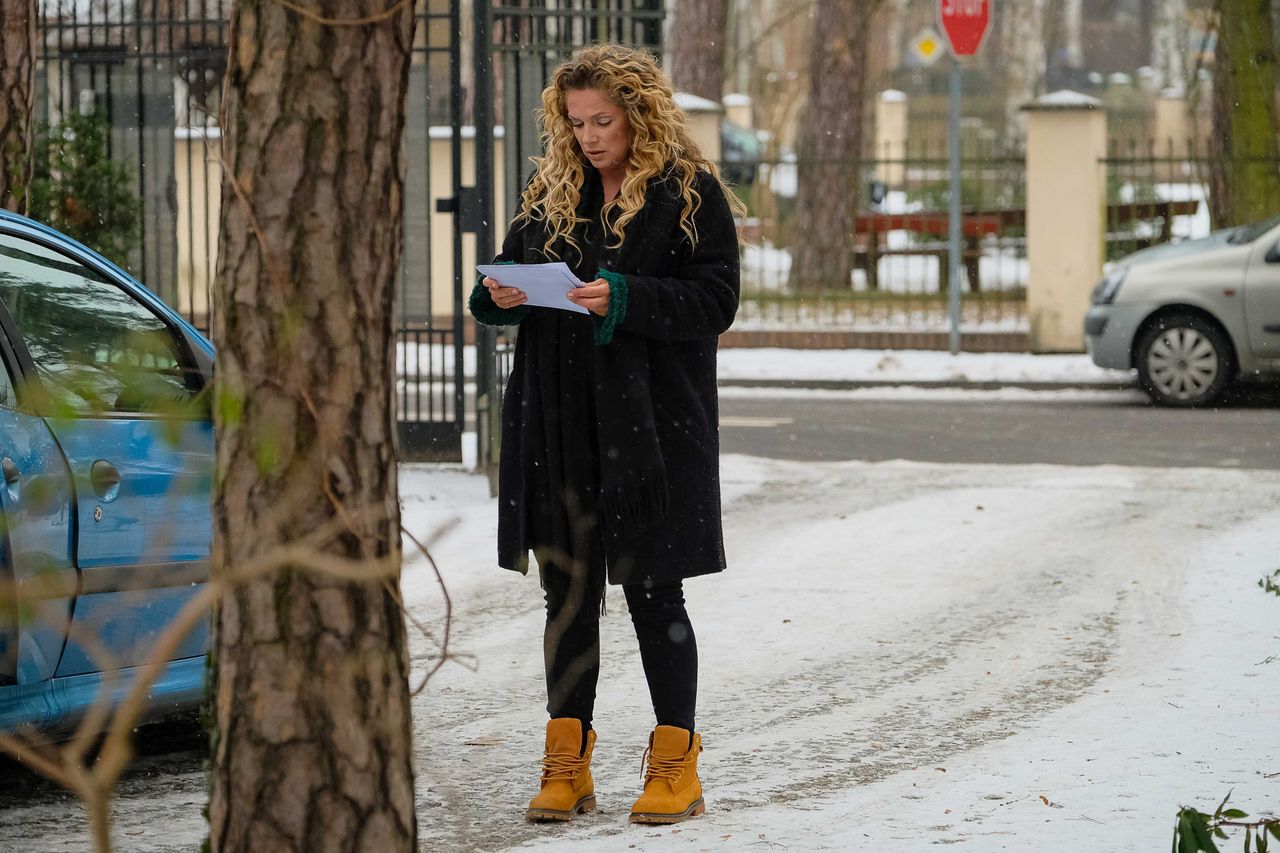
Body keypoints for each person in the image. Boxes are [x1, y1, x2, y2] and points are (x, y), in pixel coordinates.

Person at [468, 43, 744, 826]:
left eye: (603, 121)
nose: (589, 137)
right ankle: (567, 760)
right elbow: (496, 290)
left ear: (640, 114)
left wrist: (619, 296)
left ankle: (674, 762)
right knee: (566, 591)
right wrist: (501, 295)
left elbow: (715, 301)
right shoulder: (551, 190)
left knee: (655, 588)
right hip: (558, 419)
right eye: (576, 121)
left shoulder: (689, 194)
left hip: (652, 427)